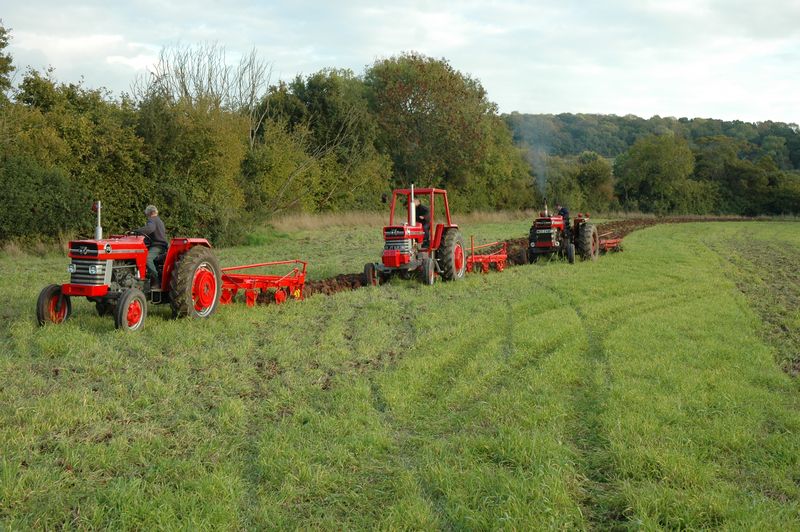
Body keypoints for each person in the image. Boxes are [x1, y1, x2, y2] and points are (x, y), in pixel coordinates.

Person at [134, 205, 169, 284]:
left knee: (147, 259)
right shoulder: (159, 220)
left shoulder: (152, 219)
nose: (147, 216)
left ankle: (157, 279)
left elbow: (150, 228)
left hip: (158, 246)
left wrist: (137, 231)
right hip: (161, 245)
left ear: (150, 213)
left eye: (147, 214)